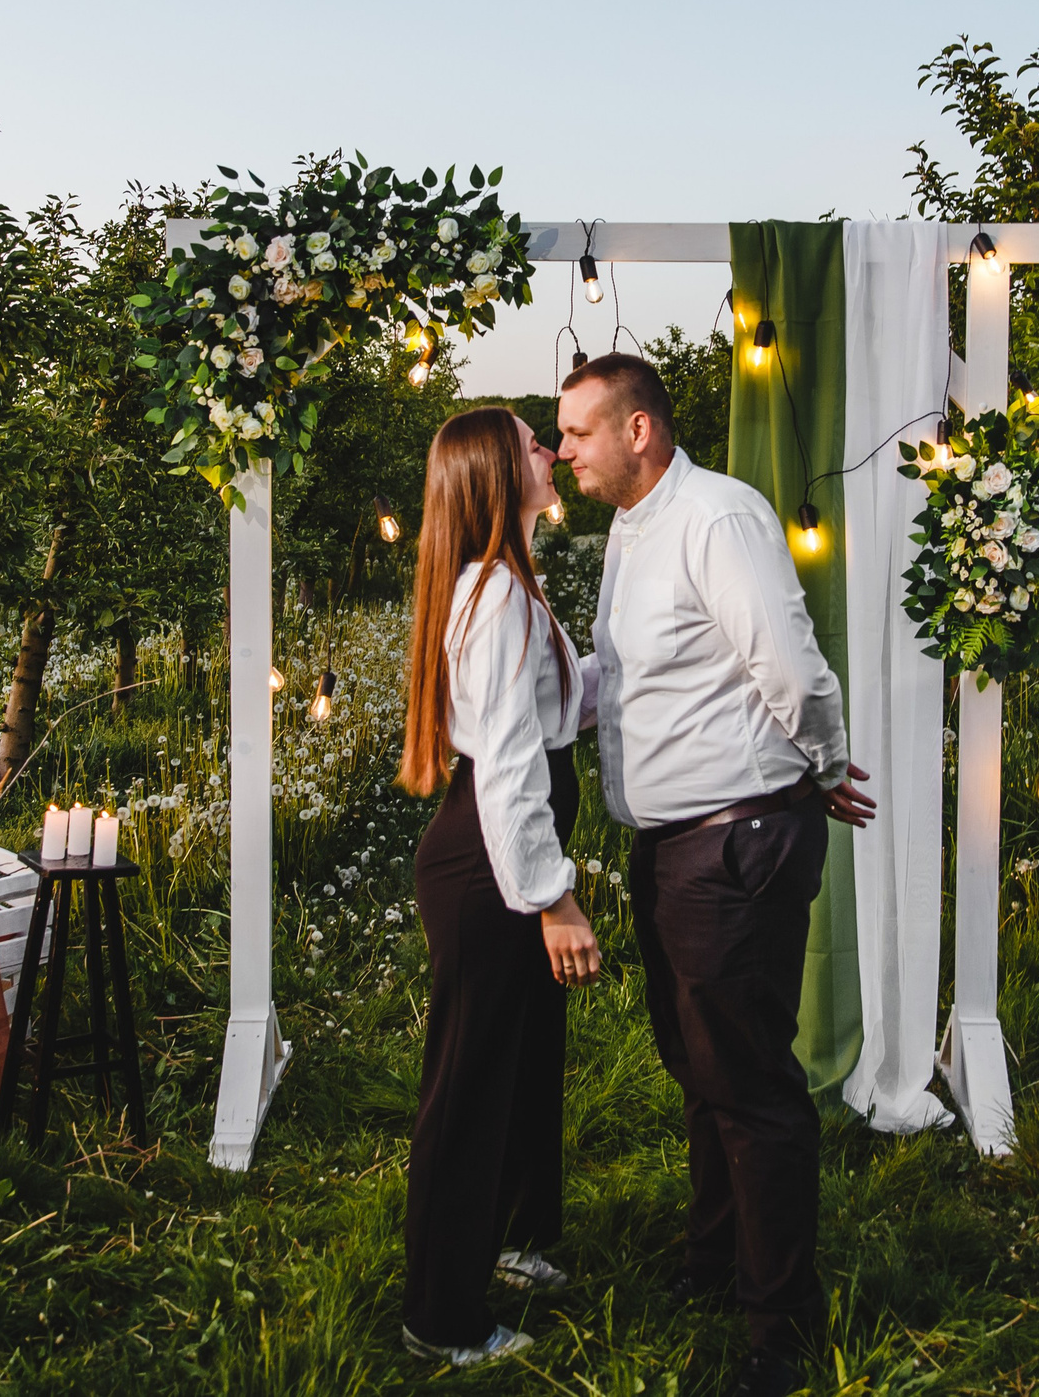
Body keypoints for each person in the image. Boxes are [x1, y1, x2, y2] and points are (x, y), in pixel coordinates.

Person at [556, 352, 874, 1397]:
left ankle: (779, 1330)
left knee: (750, 1087)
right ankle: (713, 1265)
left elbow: (788, 662)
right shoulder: (630, 531)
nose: (563, 454)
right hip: (675, 846)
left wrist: (817, 767)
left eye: (576, 434)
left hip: (734, 842)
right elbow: (636, 678)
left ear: (636, 430)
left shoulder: (718, 517)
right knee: (701, 1074)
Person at [397, 406, 605, 1369]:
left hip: (493, 850)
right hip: (489, 858)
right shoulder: (497, 597)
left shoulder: (509, 586)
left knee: (523, 1057)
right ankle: (441, 1311)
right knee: (472, 1078)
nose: (554, 451)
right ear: (493, 470)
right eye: (534, 441)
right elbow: (516, 765)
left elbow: (562, 706)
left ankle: (513, 1237)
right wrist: (553, 896)